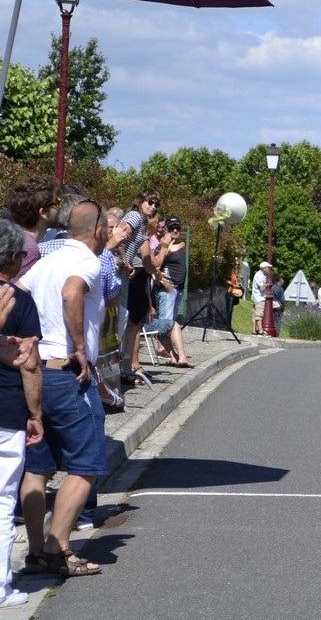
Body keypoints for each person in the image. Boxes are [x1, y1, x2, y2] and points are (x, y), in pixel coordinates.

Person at [18, 199, 109, 578]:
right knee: (87, 463)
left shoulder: (43, 262)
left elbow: (15, 291)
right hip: (65, 371)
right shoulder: (87, 261)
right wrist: (78, 348)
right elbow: (72, 293)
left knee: (38, 466)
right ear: (99, 231)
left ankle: (37, 550)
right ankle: (59, 546)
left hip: (36, 373)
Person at [0, 221, 43, 607]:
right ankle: (0, 586)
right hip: (7, 411)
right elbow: (29, 363)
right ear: (13, 259)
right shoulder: (18, 299)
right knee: (1, 500)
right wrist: (35, 414)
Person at [116, 190, 161, 383]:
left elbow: (147, 259)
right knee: (120, 319)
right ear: (141, 201)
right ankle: (119, 369)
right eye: (149, 202)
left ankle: (124, 367)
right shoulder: (134, 216)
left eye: (155, 205)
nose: (152, 207)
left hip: (125, 271)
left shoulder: (142, 223)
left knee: (125, 318)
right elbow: (118, 236)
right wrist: (126, 261)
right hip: (117, 268)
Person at [143, 217, 191, 367]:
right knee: (166, 324)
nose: (175, 231)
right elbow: (153, 268)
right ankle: (178, 356)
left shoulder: (176, 245)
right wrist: (165, 284)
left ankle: (175, 357)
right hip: (167, 291)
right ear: (166, 230)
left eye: (177, 228)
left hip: (177, 290)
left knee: (168, 325)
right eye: (171, 228)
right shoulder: (163, 248)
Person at [3, 175, 60, 279]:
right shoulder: (30, 250)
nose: (60, 206)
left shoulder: (12, 238)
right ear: (43, 212)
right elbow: (13, 291)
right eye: (57, 202)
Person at [252, 261, 271, 334]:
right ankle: (260, 331)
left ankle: (254, 331)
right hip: (259, 298)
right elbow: (262, 288)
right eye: (268, 267)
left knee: (255, 315)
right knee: (259, 315)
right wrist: (267, 284)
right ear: (263, 268)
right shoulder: (259, 275)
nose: (269, 269)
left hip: (257, 297)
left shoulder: (262, 275)